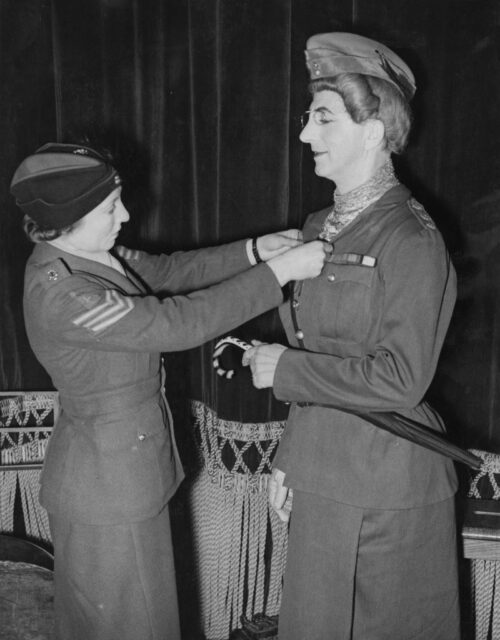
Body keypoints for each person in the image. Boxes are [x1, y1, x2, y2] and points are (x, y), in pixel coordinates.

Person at [9, 142, 330, 640]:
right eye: (111, 207)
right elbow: (175, 323)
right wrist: (279, 275)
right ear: (66, 221)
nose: (126, 214)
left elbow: (170, 271)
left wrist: (256, 250)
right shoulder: (63, 291)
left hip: (125, 477)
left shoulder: (92, 255)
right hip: (108, 492)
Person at [243, 33, 460, 639]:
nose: (307, 134)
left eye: (323, 118)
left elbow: (400, 377)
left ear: (372, 131)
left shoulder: (412, 240)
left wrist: (283, 369)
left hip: (388, 492)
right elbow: (319, 351)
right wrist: (292, 459)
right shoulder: (319, 229)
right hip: (323, 479)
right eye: (308, 117)